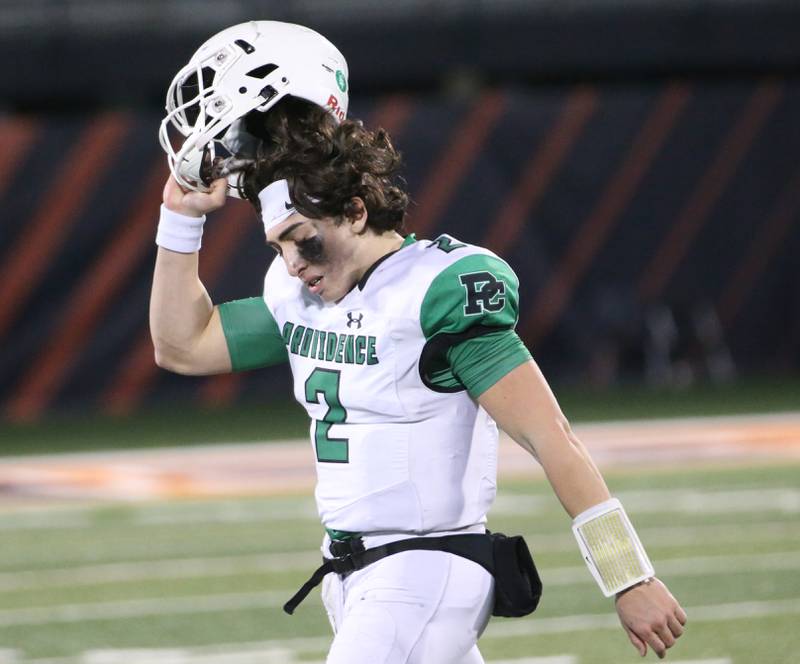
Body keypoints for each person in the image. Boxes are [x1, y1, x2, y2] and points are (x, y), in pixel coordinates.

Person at [152, 21, 687, 664]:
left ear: (354, 210)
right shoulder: (301, 294)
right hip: (351, 574)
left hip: (427, 566)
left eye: (302, 239)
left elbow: (551, 436)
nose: (293, 264)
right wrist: (178, 221)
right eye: (278, 247)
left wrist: (628, 575)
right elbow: (182, 346)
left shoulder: (437, 290)